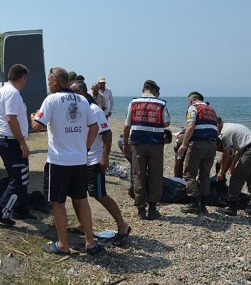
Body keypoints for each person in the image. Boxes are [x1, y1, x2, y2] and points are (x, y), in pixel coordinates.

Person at [31, 67, 103, 255]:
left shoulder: (51, 100)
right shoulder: (82, 100)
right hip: (79, 161)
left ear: (55, 81)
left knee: (58, 202)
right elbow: (94, 128)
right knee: (82, 200)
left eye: (49, 80)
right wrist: (85, 148)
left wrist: (33, 117)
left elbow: (37, 127)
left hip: (59, 162)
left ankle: (63, 245)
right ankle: (90, 242)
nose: (48, 83)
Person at [67, 81, 132, 246]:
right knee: (77, 194)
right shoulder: (79, 109)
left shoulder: (94, 110)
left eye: (73, 93)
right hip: (79, 160)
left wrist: (105, 157)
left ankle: (122, 226)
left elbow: (107, 134)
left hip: (94, 160)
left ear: (81, 93)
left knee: (98, 194)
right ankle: (82, 225)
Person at [0, 64, 35, 226]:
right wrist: (22, 143)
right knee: (18, 180)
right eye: (26, 79)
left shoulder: (4, 90)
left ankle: (21, 209)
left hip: (7, 140)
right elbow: (11, 119)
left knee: (20, 178)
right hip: (11, 142)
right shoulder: (12, 93)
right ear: (22, 78)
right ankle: (1, 211)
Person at [122, 80, 170, 220]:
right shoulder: (161, 103)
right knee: (155, 174)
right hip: (155, 143)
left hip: (138, 142)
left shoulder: (134, 102)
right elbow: (167, 122)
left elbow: (127, 125)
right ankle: (153, 208)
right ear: (154, 90)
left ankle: (141, 207)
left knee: (138, 174)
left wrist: (125, 143)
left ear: (143, 89)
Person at [215, 118, 251, 218]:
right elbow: (238, 150)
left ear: (218, 125)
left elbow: (226, 154)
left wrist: (221, 171)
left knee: (236, 179)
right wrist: (233, 165)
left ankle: (231, 207)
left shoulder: (225, 132)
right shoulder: (233, 126)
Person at [177, 91, 218, 215]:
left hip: (199, 144)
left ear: (191, 100)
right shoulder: (211, 110)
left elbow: (191, 126)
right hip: (212, 145)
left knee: (190, 174)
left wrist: (184, 145)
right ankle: (203, 205)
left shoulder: (193, 108)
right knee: (205, 175)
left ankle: (194, 203)